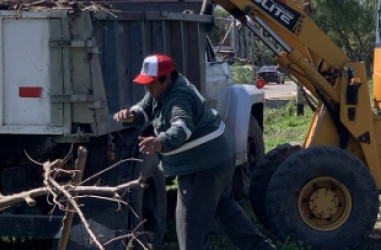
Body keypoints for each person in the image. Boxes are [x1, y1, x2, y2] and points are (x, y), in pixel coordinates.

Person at [113, 54, 276, 250]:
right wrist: (130, 116)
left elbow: (182, 128)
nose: (147, 88)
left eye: (151, 83)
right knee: (225, 209)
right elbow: (145, 108)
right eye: (145, 83)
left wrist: (159, 142)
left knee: (189, 232)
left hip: (203, 166)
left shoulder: (180, 97)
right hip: (219, 156)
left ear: (166, 79)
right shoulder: (162, 89)